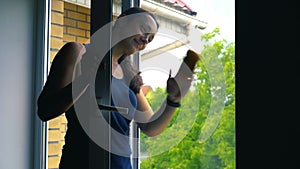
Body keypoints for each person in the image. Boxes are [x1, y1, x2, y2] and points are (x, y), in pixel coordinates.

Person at [37, 7, 199, 169]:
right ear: (121, 21)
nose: (145, 40)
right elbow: (45, 110)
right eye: (144, 30)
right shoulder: (78, 53)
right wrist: (87, 78)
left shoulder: (129, 74)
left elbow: (150, 127)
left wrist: (173, 99)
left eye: (150, 39)